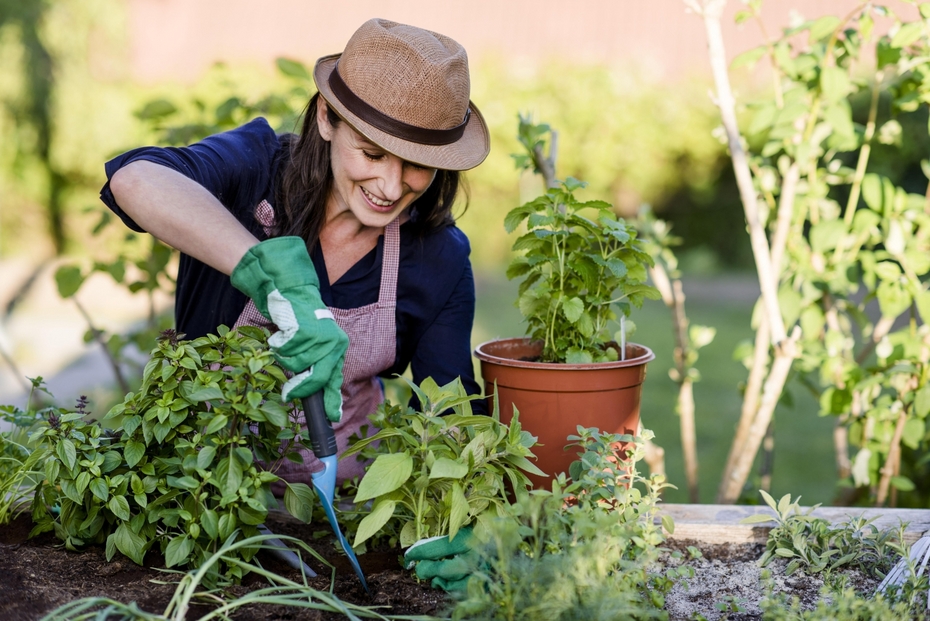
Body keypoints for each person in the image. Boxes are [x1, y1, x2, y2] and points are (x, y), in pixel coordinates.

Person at [98, 18, 490, 491]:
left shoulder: (436, 257)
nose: (390, 187)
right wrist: (264, 272)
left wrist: (460, 509)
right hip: (202, 500)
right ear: (326, 118)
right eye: (371, 154)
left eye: (418, 166)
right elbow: (135, 179)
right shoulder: (257, 171)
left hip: (345, 508)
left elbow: (451, 412)